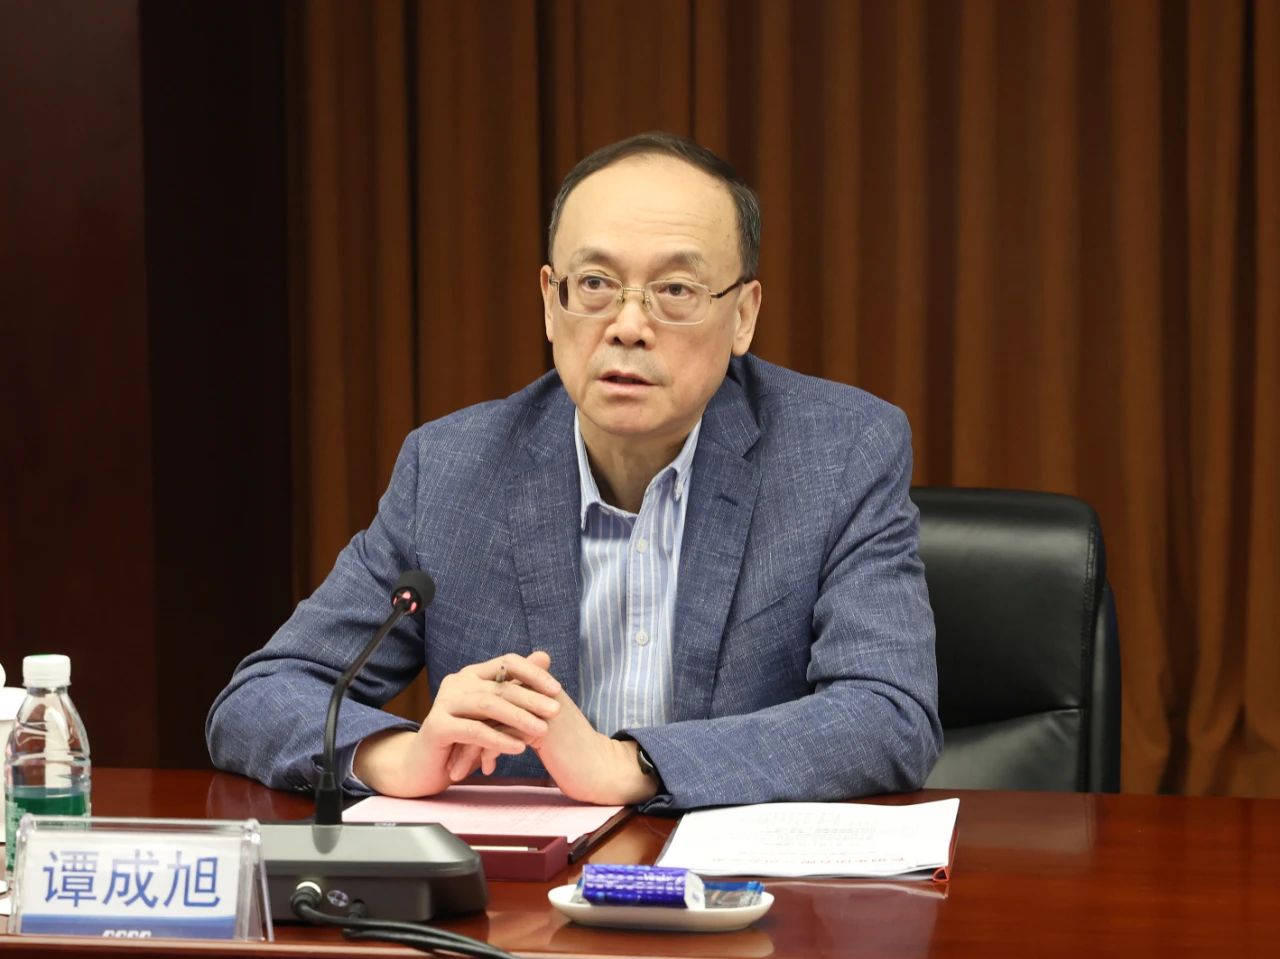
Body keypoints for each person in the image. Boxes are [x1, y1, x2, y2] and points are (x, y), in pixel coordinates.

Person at [207, 132, 941, 813]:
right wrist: (396, 755)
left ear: (743, 315)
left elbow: (888, 713)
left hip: (738, 896)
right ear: (550, 304)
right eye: (594, 283)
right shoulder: (453, 470)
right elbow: (261, 695)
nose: (628, 325)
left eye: (676, 291)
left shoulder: (838, 453)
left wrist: (633, 764)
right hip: (524, 899)